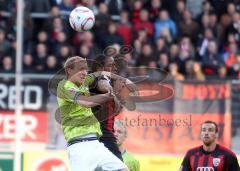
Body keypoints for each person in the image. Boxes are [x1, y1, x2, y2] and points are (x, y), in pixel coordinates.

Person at [56, 56, 129, 171]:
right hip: (79, 145)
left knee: (122, 169)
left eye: (85, 69)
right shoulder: (64, 86)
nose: (84, 72)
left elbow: (100, 74)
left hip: (96, 143)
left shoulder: (84, 81)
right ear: (69, 70)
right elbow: (85, 102)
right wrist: (107, 96)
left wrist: (117, 82)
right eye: (80, 69)